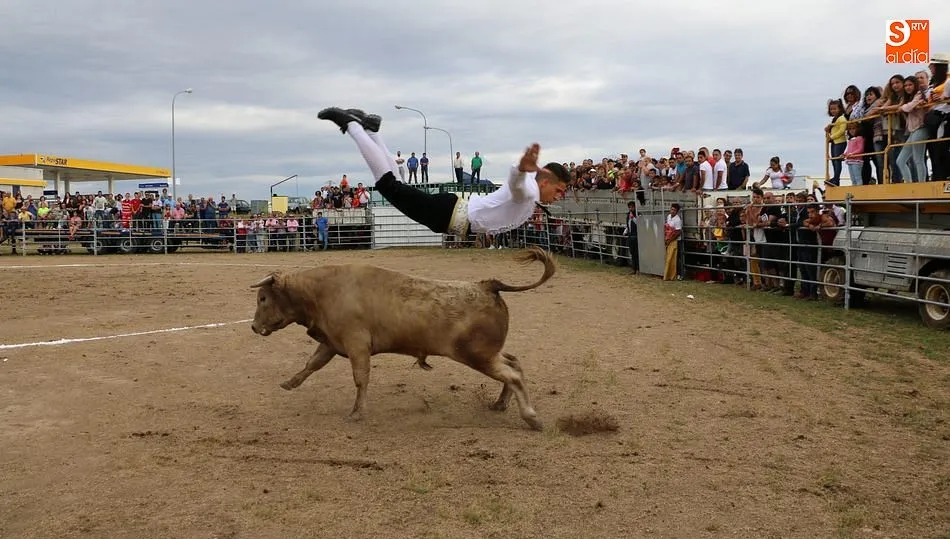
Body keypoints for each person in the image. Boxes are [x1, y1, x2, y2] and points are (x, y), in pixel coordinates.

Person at [317, 107, 570, 238]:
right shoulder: (528, 191)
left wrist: (520, 170)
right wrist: (518, 169)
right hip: (449, 215)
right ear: (545, 180)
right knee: (388, 186)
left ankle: (372, 131)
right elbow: (517, 186)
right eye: (558, 190)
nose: (558, 197)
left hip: (450, 213)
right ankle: (351, 125)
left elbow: (519, 184)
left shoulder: (531, 189)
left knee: (394, 184)